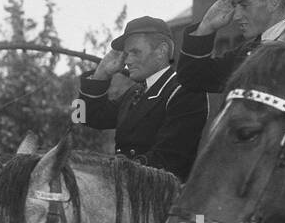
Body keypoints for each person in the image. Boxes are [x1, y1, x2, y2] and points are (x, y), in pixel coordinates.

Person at [76, 15, 208, 180]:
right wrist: (101, 74)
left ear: (161, 51)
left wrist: (111, 173)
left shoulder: (185, 91)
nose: (128, 61)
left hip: (161, 198)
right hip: (129, 189)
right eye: (126, 54)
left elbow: (168, 160)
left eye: (135, 52)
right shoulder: (135, 92)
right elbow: (81, 116)